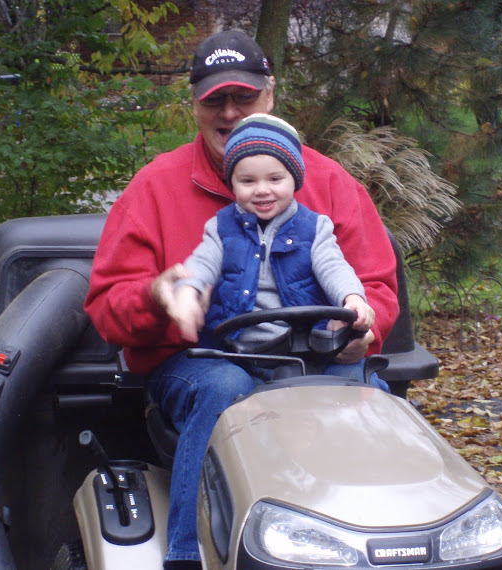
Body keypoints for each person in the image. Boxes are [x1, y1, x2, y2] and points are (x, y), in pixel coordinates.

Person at [84, 29, 400, 570]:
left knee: (381, 403)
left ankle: (396, 539)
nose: (229, 112)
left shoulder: (329, 184)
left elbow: (373, 285)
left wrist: (364, 330)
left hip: (311, 361)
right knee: (228, 388)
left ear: (270, 94)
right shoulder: (155, 188)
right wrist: (161, 297)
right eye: (214, 100)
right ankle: (187, 549)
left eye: (243, 97)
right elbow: (109, 306)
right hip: (201, 362)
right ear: (194, 103)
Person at [169, 113, 379, 369]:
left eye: (275, 179)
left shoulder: (315, 227)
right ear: (232, 184)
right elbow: (202, 263)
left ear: (295, 180)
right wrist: (188, 291)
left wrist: (352, 298)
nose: (262, 190)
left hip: (308, 347)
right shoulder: (221, 228)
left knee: (356, 382)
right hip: (238, 352)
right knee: (220, 386)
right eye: (247, 181)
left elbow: (332, 266)